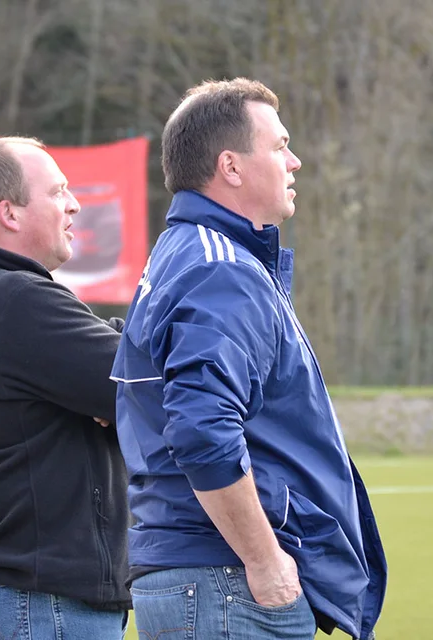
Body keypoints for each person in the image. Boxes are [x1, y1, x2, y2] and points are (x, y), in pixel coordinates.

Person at [111, 77, 387, 640]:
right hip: (227, 582)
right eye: (280, 145)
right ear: (231, 167)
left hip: (203, 577)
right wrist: (264, 558)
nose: (295, 161)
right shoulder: (221, 268)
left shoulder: (189, 253)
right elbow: (202, 430)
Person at [0, 136, 131, 639]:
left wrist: (112, 389)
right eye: (58, 191)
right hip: (49, 601)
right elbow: (141, 384)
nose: (74, 204)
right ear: (10, 213)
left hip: (38, 595)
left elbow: (120, 377)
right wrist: (116, 393)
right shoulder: (15, 299)